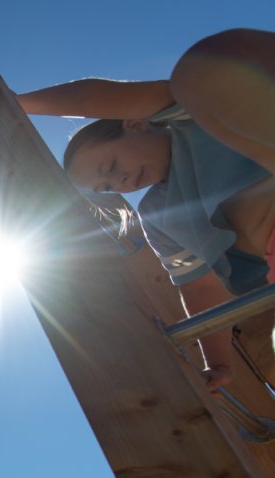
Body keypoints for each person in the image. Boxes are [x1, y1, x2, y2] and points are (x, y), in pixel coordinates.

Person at [16, 28, 275, 390]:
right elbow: (199, 287)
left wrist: (17, 104)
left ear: (135, 124)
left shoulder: (190, 119)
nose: (121, 183)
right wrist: (217, 362)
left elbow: (88, 98)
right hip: (260, 268)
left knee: (197, 74)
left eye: (110, 167)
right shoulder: (157, 216)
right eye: (107, 188)